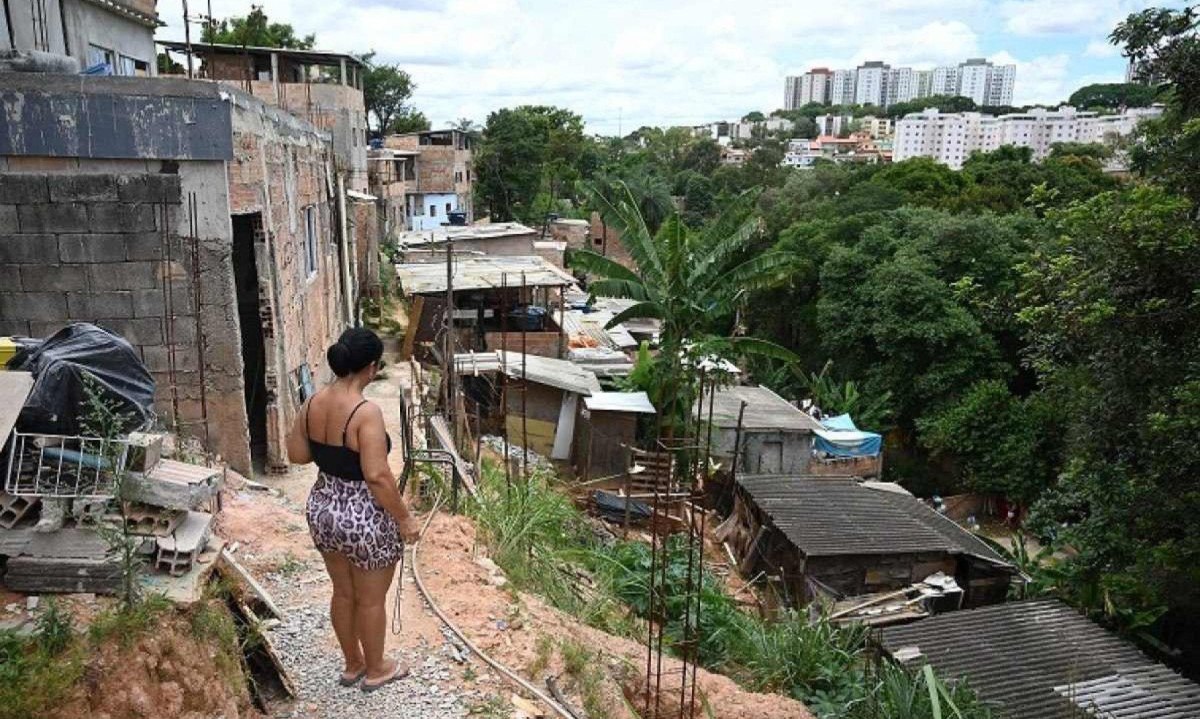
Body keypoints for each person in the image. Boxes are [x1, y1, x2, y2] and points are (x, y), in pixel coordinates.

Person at [286, 327, 421, 692]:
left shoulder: (313, 402)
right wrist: (405, 519)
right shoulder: (366, 413)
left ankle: (352, 664)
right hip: (363, 515)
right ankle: (378, 668)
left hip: (324, 507)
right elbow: (377, 475)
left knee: (343, 592)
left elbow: (297, 455)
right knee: (371, 599)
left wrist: (329, 448)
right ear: (372, 367)